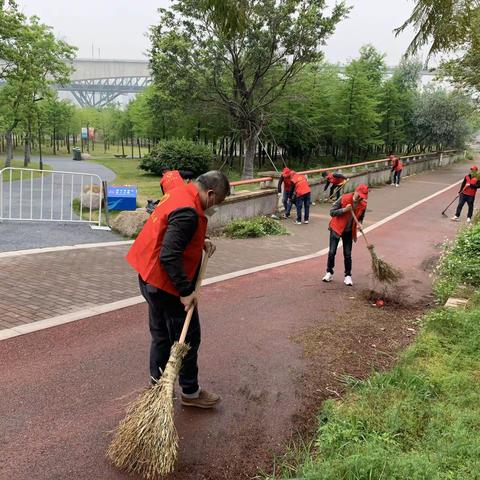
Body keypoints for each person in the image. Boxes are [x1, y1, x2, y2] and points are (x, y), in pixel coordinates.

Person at [126, 170, 230, 409]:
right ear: (211, 193)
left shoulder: (179, 193)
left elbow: (170, 232)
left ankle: (157, 389)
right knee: (188, 337)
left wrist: (198, 239)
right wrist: (186, 291)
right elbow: (169, 255)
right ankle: (190, 392)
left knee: (161, 336)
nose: (215, 208)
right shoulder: (188, 212)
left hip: (148, 278)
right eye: (218, 202)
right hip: (166, 286)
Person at [322, 184, 368, 286]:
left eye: (362, 196)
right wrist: (344, 210)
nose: (360, 197)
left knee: (347, 254)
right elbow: (332, 212)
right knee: (332, 252)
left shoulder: (363, 205)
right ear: (355, 191)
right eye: (359, 195)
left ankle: (348, 276)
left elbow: (361, 217)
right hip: (336, 228)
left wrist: (360, 224)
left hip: (348, 231)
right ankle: (329, 272)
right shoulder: (344, 198)